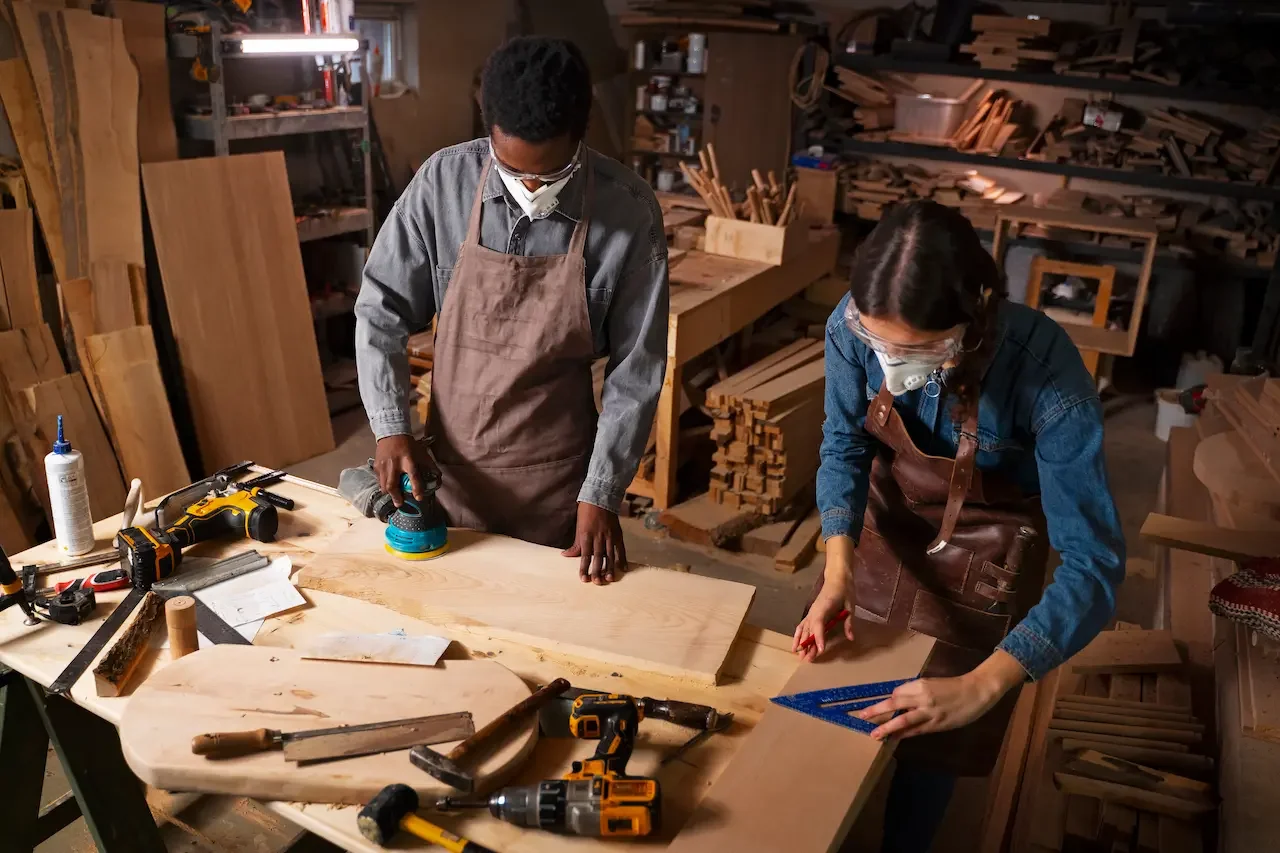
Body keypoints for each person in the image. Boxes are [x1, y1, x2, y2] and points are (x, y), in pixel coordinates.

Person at [793, 201, 1125, 853]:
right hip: (884, 537)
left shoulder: (1048, 378)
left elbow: (1094, 565)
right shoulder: (849, 324)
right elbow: (844, 444)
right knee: (829, 712)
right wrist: (838, 571)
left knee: (930, 743)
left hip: (986, 561)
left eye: (914, 351)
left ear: (973, 315)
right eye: (876, 343)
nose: (888, 367)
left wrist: (982, 683)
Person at [356, 36, 668, 584]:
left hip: (557, 487)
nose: (528, 186)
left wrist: (603, 491)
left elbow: (636, 370)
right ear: (487, 127)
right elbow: (380, 310)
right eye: (509, 168)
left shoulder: (629, 209)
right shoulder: (442, 185)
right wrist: (390, 427)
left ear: (582, 134)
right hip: (450, 475)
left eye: (548, 175)